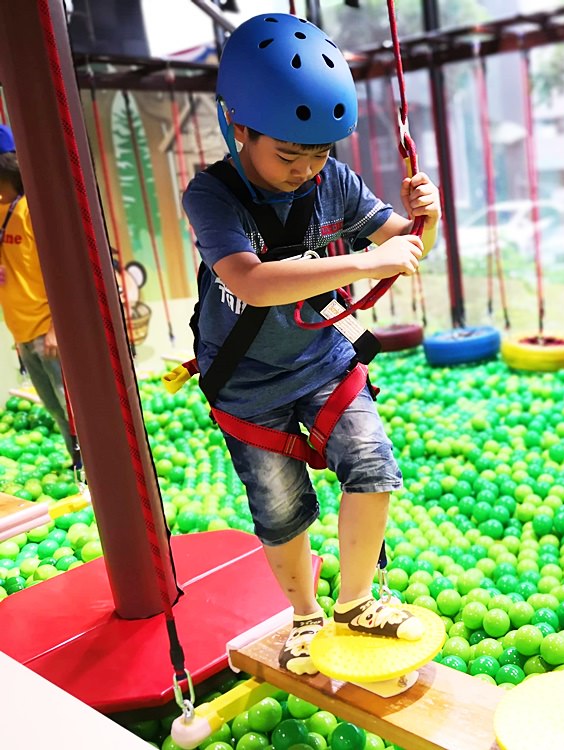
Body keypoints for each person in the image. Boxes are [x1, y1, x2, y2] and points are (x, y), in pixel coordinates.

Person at [182, 13, 441, 675]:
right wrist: (361, 262)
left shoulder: (334, 181)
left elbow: (403, 250)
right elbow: (250, 279)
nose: (306, 170)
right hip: (245, 385)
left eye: (320, 153)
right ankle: (305, 616)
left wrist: (425, 219)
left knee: (374, 463)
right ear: (237, 128)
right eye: (289, 155)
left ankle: (356, 603)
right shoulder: (212, 194)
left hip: (322, 364)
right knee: (281, 508)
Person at [0, 124, 77, 462]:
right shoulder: (2, 211)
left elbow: (62, 273)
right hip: (21, 330)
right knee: (53, 406)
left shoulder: (31, 210)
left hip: (46, 330)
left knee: (71, 404)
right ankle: (79, 465)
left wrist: (55, 327)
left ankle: (92, 468)